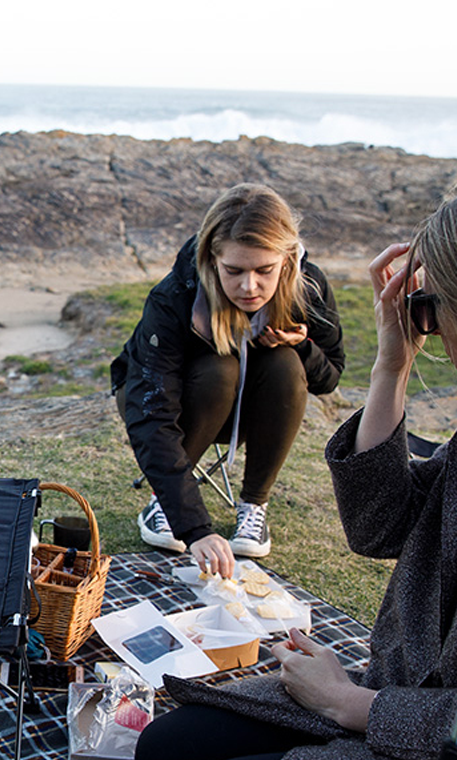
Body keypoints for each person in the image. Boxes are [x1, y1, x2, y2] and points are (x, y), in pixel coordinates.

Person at [133, 175, 457, 760]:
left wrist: (351, 705)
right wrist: (391, 365)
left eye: (432, 309)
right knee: (162, 754)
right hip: (411, 707)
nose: (425, 324)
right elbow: (380, 526)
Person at [110, 184, 344, 573]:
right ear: (211, 258)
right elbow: (150, 411)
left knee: (286, 364)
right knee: (220, 369)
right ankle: (163, 504)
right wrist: (195, 526)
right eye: (233, 270)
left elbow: (329, 377)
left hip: (255, 410)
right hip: (177, 400)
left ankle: (254, 505)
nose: (248, 286)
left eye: (264, 270)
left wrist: (302, 345)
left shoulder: (309, 288)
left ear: (286, 260)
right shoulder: (175, 296)